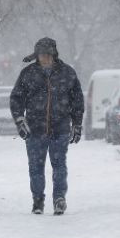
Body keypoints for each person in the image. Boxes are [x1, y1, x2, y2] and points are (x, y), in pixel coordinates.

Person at [10, 37, 84, 215]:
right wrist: (20, 121)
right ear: (37, 56)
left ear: (54, 54)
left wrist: (77, 124)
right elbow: (16, 99)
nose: (45, 58)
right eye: (41, 55)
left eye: (48, 55)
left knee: (59, 165)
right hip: (34, 129)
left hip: (60, 128)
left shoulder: (67, 73)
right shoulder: (28, 74)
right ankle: (38, 200)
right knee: (36, 166)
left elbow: (77, 101)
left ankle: (59, 198)